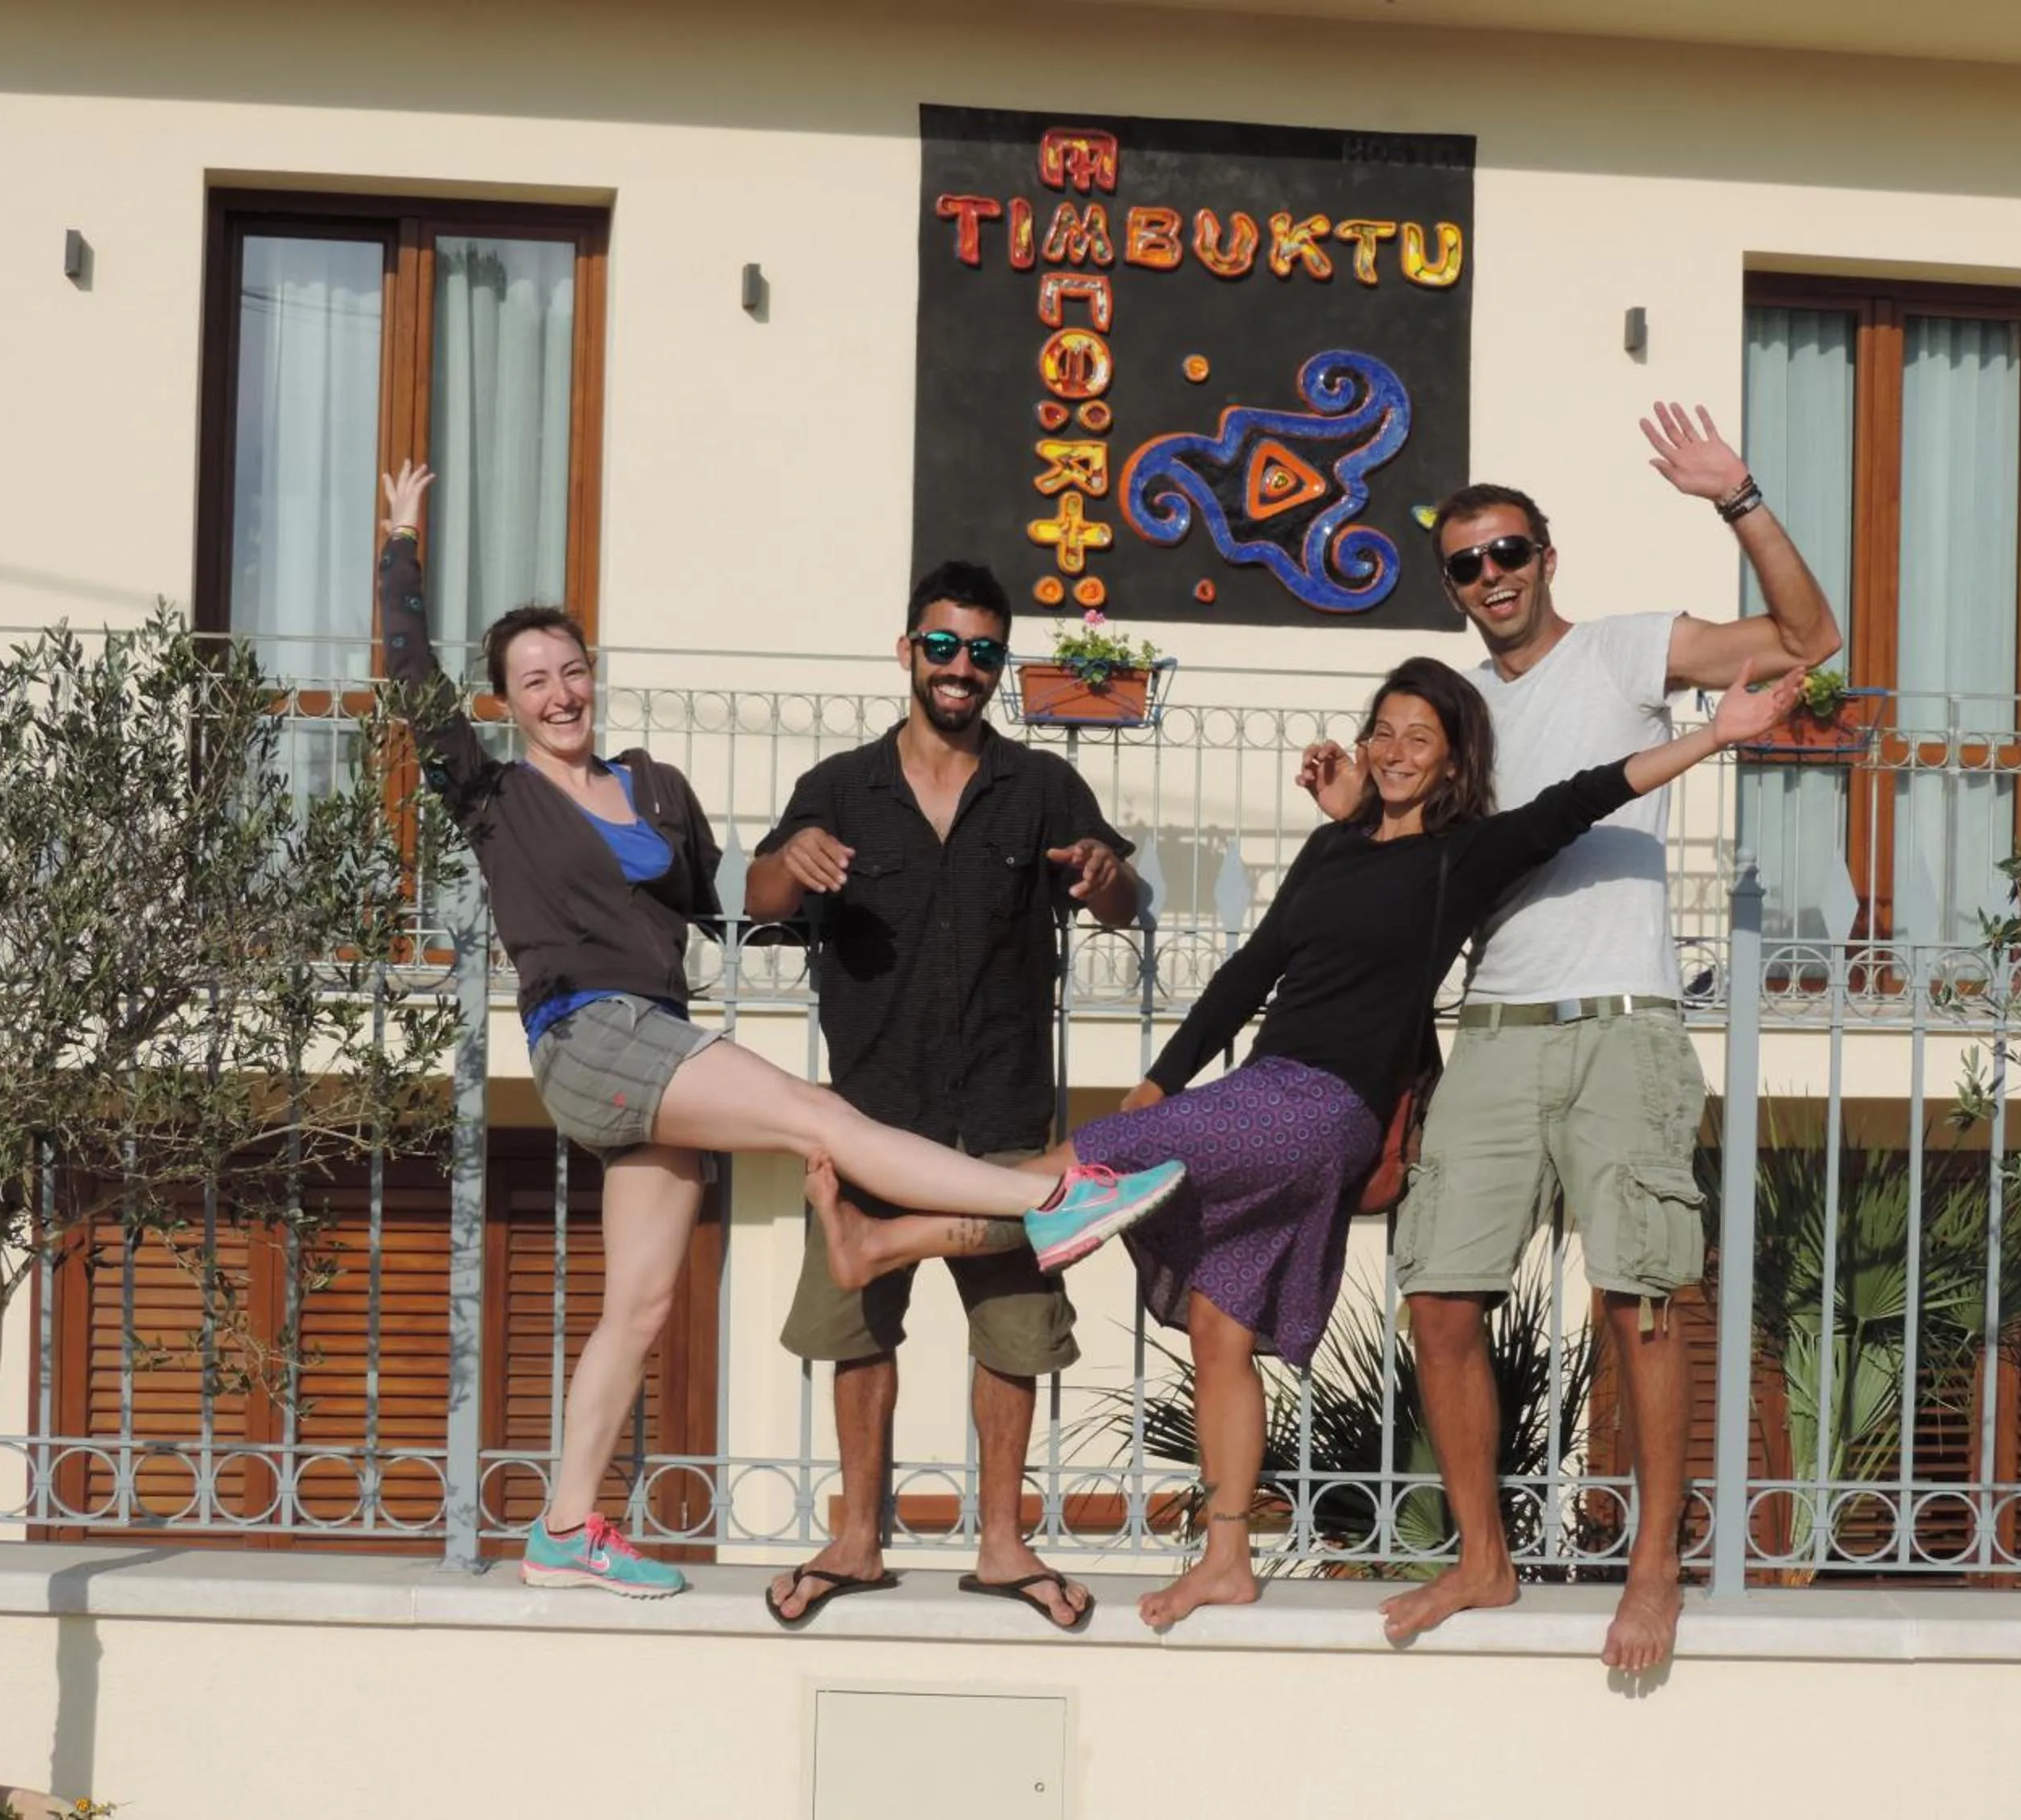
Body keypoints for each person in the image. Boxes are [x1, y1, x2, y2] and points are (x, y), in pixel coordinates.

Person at [805, 646, 1801, 1627]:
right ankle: (1228, 1559)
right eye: (1385, 731)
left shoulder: (1465, 853)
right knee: (1216, 1328)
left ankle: (889, 1236)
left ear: (1455, 761)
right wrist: (1161, 1081)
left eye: (1424, 737)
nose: (1401, 750)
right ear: (1365, 747)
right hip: (1264, 1084)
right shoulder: (1332, 850)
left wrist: (1716, 733)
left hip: (1321, 1111)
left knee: (1093, 1163)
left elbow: (1589, 792)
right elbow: (1251, 973)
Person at [373, 462, 1187, 1598]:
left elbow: (728, 896)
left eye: (572, 670)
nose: (560, 693)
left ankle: (563, 1528)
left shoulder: (651, 785)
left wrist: (784, 879)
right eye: (533, 680)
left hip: (660, 1038)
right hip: (589, 1032)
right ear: (505, 702)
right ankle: (1058, 1196)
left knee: (642, 1303)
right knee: (819, 1112)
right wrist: (401, 541)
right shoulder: (497, 796)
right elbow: (410, 688)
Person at [1298, 401, 1842, 1670]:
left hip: (1621, 1024)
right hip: (1489, 1027)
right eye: (1467, 562)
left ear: (1549, 556)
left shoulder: (1626, 652)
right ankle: (1482, 1557)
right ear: (1451, 585)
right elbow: (1417, 868)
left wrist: (1740, 496)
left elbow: (1814, 638)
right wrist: (1349, 809)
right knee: (1437, 1293)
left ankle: (1656, 1568)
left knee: (1643, 1298)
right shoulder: (1454, 712)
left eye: (1511, 551)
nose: (1493, 574)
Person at [742, 560, 1140, 1632]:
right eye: (943, 645)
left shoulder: (1041, 784)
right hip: (871, 1109)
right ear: (907, 649)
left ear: (999, 665)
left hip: (1005, 1105)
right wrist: (792, 854)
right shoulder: (839, 785)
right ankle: (857, 1536)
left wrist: (1109, 880)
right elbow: (759, 896)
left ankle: (1003, 1542)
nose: (961, 667)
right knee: (859, 1326)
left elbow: (1120, 896)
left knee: (1013, 1330)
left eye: (982, 651)